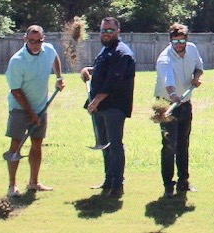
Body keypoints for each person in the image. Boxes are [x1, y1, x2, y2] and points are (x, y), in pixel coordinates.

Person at [4, 25, 65, 197]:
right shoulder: (17, 61)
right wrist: (31, 114)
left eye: (39, 41)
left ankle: (34, 182)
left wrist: (59, 77)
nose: (35, 45)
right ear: (25, 40)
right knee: (15, 146)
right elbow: (15, 90)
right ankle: (12, 185)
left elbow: (55, 57)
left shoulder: (48, 50)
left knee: (37, 144)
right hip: (19, 108)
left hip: (40, 106)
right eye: (32, 41)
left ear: (43, 40)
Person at [80, 17, 135, 198]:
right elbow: (103, 70)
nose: (106, 33)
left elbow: (113, 81)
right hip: (100, 107)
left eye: (110, 30)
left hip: (114, 107)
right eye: (103, 30)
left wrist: (95, 101)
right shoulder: (106, 50)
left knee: (114, 144)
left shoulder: (122, 52)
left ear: (118, 31)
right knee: (104, 145)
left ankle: (117, 185)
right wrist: (89, 70)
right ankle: (108, 180)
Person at [154, 23, 203, 198]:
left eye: (182, 40)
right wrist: (174, 96)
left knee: (183, 144)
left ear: (186, 39)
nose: (179, 44)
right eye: (175, 41)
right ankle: (168, 185)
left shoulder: (192, 49)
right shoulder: (164, 59)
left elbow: (199, 67)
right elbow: (168, 82)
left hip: (186, 104)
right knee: (169, 146)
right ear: (170, 41)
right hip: (168, 106)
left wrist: (196, 79)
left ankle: (184, 182)